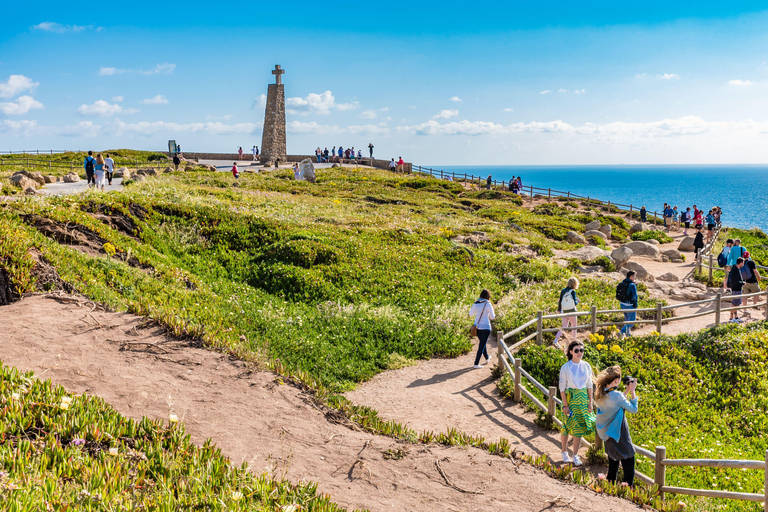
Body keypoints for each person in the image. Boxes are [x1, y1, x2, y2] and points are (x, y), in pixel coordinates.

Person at [594, 365, 638, 486]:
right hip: (618, 434)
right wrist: (633, 391)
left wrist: (627, 390)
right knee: (629, 458)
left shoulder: (602, 393)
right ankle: (628, 488)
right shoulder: (617, 395)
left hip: (608, 434)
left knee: (613, 461)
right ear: (616, 380)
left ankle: (610, 486)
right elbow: (633, 409)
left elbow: (616, 402)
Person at [559, 340, 595, 466]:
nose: (580, 353)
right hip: (571, 398)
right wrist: (565, 405)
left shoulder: (586, 365)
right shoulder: (566, 367)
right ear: (571, 352)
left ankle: (575, 455)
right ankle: (564, 452)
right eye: (577, 350)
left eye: (582, 350)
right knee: (567, 425)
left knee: (579, 427)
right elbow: (562, 387)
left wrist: (590, 402)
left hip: (583, 398)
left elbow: (589, 385)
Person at [468, 289, 496, 369]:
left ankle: (487, 357)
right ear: (488, 296)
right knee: (481, 345)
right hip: (486, 327)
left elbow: (470, 314)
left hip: (478, 327)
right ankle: (476, 363)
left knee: (482, 344)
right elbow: (492, 317)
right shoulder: (488, 303)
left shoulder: (476, 303)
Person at [554, 277, 580, 349]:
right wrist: (578, 301)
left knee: (564, 325)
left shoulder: (563, 290)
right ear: (575, 284)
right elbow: (574, 303)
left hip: (564, 311)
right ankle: (573, 341)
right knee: (574, 326)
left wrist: (559, 310)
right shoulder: (572, 291)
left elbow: (560, 301)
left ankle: (556, 339)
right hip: (572, 311)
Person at [616, 270, 638, 338]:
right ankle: (621, 332)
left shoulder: (623, 282)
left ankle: (628, 336)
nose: (635, 278)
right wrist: (635, 304)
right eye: (634, 276)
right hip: (629, 305)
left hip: (622, 304)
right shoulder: (632, 285)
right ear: (631, 276)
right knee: (632, 322)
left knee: (627, 321)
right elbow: (635, 296)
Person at [728, 258, 746, 322]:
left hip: (737, 288)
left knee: (737, 304)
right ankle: (731, 318)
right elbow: (736, 281)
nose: (743, 264)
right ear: (741, 263)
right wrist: (742, 283)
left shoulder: (736, 269)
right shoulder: (736, 270)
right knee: (734, 304)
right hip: (736, 289)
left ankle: (735, 317)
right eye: (743, 263)